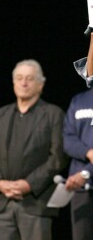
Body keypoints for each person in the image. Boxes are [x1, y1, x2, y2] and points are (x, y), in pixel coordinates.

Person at [0, 59, 67, 240]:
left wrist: (29, 184)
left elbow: (58, 158)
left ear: (40, 84)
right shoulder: (0, 115)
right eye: (19, 78)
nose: (23, 83)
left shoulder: (53, 114)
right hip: (1, 203)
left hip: (36, 204)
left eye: (29, 78)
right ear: (13, 83)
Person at [63, 33, 93, 240]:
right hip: (81, 189)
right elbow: (68, 138)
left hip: (83, 176)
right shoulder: (79, 100)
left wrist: (87, 172)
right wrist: (88, 152)